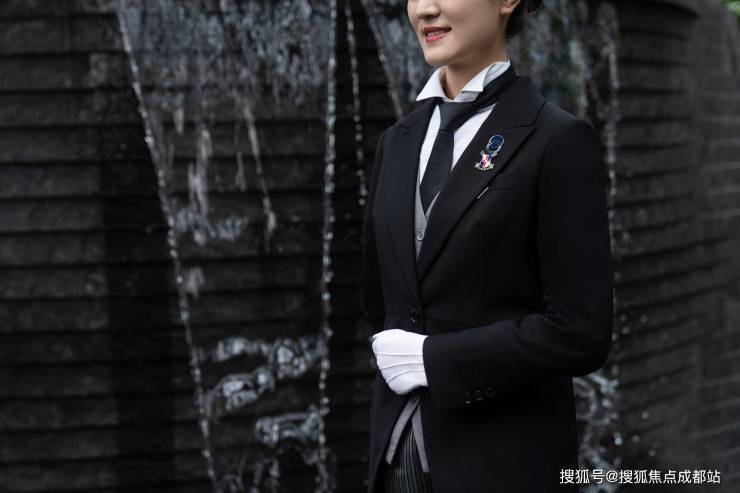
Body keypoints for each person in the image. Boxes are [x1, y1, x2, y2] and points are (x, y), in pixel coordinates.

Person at [361, 0, 615, 492]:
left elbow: (581, 331)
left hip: (502, 464)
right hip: (393, 458)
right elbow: (379, 302)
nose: (425, 9)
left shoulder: (558, 140)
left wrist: (437, 360)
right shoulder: (396, 142)